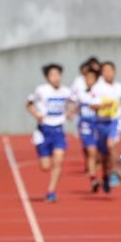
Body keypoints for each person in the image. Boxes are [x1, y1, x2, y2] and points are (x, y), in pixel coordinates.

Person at [26, 63, 74, 203]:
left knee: (58, 161)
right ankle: (43, 156)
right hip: (43, 130)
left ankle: (51, 191)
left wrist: (70, 111)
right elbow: (28, 104)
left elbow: (73, 103)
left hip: (58, 130)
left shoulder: (66, 91)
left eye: (57, 74)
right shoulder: (41, 90)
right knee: (45, 166)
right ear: (47, 77)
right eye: (52, 75)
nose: (55, 77)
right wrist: (36, 115)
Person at [94, 61, 121, 190]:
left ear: (115, 72)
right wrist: (102, 106)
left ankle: (113, 174)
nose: (108, 73)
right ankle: (105, 174)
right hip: (100, 122)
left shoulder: (120, 87)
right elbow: (92, 104)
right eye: (105, 71)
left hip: (114, 121)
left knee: (111, 145)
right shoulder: (97, 87)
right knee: (102, 155)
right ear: (102, 73)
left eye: (110, 70)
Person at [71, 68, 104, 192]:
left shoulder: (102, 94)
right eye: (86, 78)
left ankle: (100, 173)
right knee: (91, 152)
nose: (88, 81)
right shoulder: (81, 94)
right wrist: (70, 111)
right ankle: (93, 179)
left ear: (96, 80)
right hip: (86, 126)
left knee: (100, 155)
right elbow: (76, 106)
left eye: (91, 78)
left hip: (99, 126)